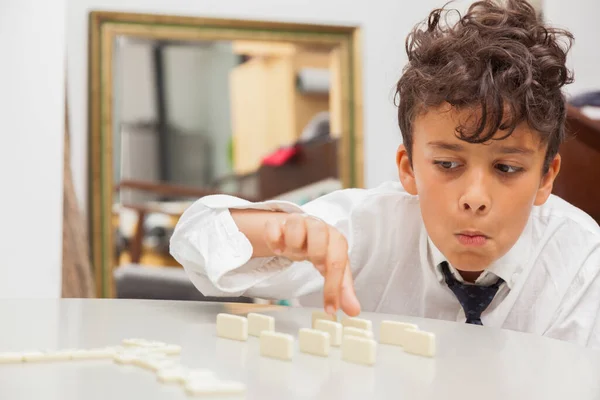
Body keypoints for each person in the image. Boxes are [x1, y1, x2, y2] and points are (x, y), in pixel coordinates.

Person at [169, 0, 600, 348]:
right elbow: (195, 240)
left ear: (546, 177)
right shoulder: (367, 227)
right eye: (447, 164)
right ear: (408, 168)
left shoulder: (580, 262)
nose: (475, 197)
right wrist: (275, 232)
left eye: (506, 168)